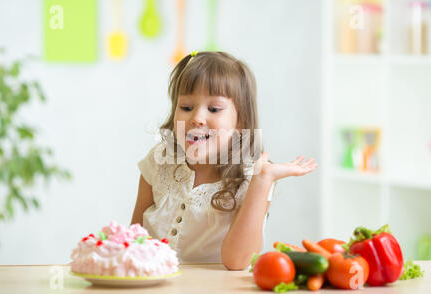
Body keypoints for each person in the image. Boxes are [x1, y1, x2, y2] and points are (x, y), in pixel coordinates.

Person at [131, 51, 317, 270]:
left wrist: (262, 180)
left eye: (214, 109)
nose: (197, 119)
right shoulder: (160, 161)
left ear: (241, 121)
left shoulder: (252, 177)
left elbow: (238, 261)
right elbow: (134, 239)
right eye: (186, 107)